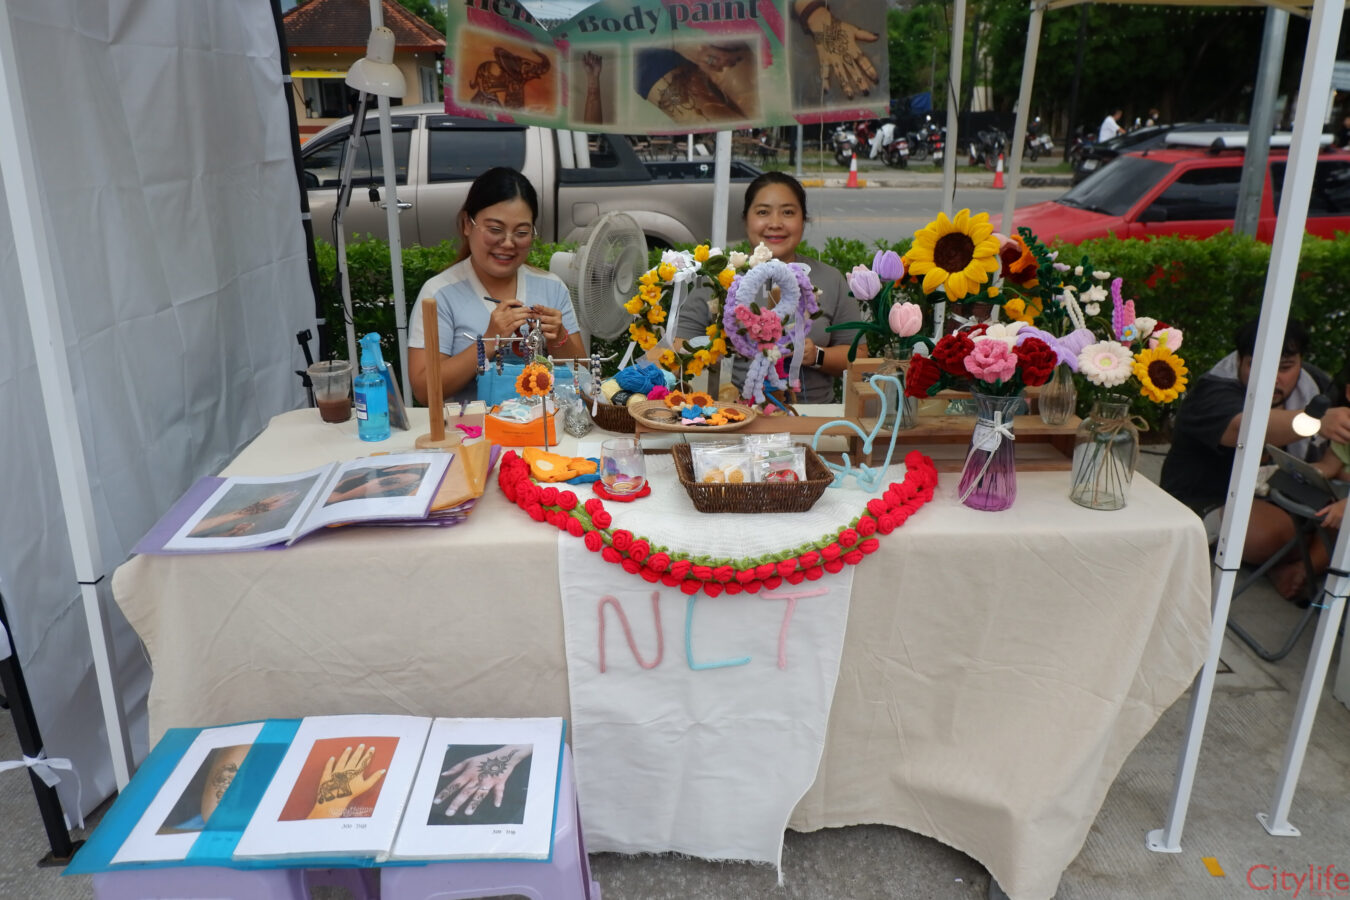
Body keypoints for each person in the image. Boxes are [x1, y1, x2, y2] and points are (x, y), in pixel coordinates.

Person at [1161, 319, 1350, 599]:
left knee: (1337, 520)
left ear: (1301, 362)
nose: (1273, 378)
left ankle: (1300, 567)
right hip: (1211, 500)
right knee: (1262, 532)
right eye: (1259, 366)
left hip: (1296, 499)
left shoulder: (1317, 385)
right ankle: (1305, 561)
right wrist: (1317, 421)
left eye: (1285, 368)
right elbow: (1241, 428)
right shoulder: (1214, 390)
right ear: (1239, 360)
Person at [675, 172, 861, 404]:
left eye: (788, 212)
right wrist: (719, 348)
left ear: (803, 220)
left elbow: (859, 357)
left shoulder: (830, 279)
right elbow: (677, 348)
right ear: (746, 219)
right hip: (733, 414)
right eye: (763, 212)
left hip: (814, 415)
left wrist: (817, 355)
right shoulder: (719, 280)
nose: (775, 223)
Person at [408, 168, 584, 405]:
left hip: (545, 426)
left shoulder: (552, 287)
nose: (508, 243)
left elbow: (583, 377)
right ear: (467, 224)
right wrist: (489, 342)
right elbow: (424, 391)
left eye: (521, 232)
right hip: (470, 427)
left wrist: (559, 338)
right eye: (495, 230)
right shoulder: (439, 294)